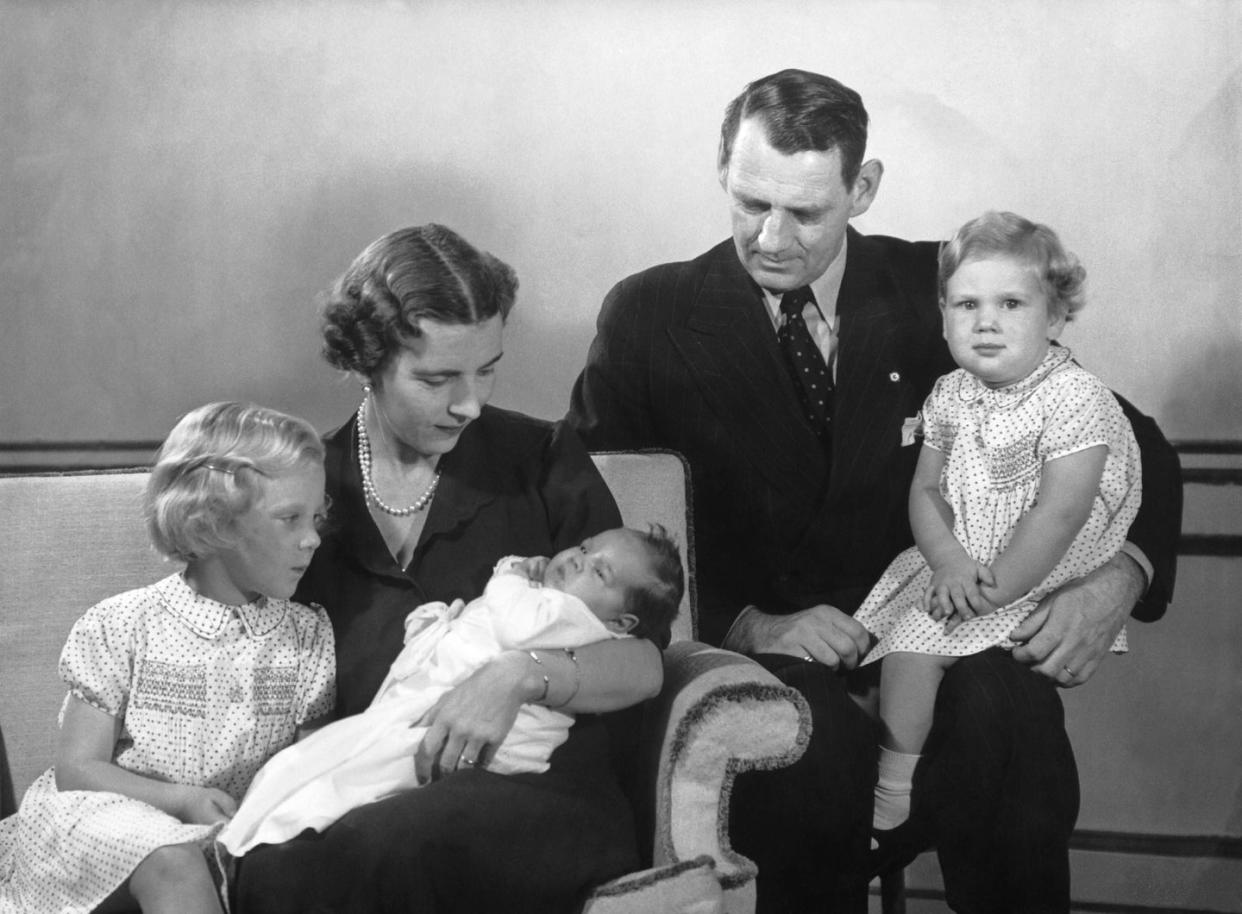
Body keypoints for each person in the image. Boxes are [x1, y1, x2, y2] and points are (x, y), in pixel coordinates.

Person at [567, 69, 1182, 913]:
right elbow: (597, 518)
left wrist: (1122, 578)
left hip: (936, 621)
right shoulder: (647, 316)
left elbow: (1129, 438)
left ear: (863, 187)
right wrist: (748, 620)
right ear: (722, 171)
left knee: (1010, 712)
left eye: (807, 212)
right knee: (806, 748)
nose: (772, 237)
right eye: (750, 203)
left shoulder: (947, 289)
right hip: (765, 646)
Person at [233, 224, 665, 914]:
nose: (469, 402)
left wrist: (521, 676)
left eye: (486, 369)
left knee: (381, 849)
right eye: (438, 378)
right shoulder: (304, 495)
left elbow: (645, 660)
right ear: (369, 360)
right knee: (274, 867)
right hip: (373, 780)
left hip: (538, 790)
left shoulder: (542, 461)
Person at [853, 211, 1141, 836]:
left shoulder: (1075, 397)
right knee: (879, 659)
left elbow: (1059, 512)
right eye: (966, 305)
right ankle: (895, 764)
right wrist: (949, 562)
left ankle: (893, 790)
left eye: (1011, 303)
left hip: (1034, 570)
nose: (986, 321)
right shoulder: (952, 394)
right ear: (944, 313)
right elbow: (926, 488)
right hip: (963, 561)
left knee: (913, 657)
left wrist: (992, 590)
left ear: (1056, 316)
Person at [0, 402, 335, 914]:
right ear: (213, 520)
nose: (311, 538)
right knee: (174, 859)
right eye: (290, 518)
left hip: (226, 835)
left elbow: (307, 773)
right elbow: (77, 769)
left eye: (316, 518)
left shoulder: (308, 639)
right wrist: (181, 801)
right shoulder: (123, 625)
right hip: (102, 826)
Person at [220, 525, 683, 856]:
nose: (578, 559)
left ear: (623, 622)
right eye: (584, 546)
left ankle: (252, 843)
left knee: (332, 785)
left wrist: (511, 572)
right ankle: (247, 841)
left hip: (470, 748)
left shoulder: (568, 616)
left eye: (600, 573)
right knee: (311, 768)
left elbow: (514, 623)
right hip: (426, 724)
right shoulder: (321, 491)